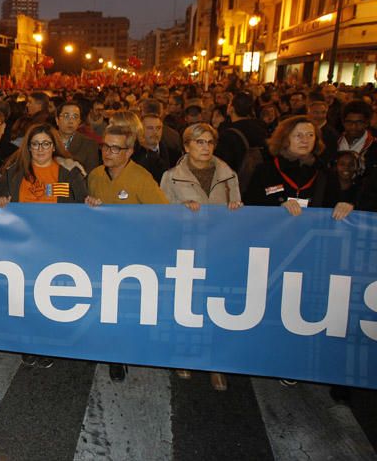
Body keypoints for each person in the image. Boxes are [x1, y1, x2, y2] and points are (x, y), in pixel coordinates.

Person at [0, 123, 89, 369]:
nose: (40, 148)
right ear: (28, 147)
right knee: (25, 298)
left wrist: (92, 201)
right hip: (23, 248)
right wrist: (0, 200)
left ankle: (50, 343)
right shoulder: (14, 172)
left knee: (52, 298)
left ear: (54, 145)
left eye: (46, 143)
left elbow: (79, 202)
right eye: (35, 144)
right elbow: (0, 200)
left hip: (57, 248)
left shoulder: (68, 172)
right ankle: (30, 342)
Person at [159, 123, 243, 392]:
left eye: (209, 142)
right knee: (186, 305)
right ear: (186, 147)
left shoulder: (228, 175)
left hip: (219, 249)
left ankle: (215, 364)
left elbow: (239, 211)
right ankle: (184, 355)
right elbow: (160, 214)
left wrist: (236, 208)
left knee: (216, 307)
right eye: (199, 142)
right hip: (187, 250)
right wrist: (180, 208)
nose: (205, 147)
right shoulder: (171, 177)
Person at [87, 125, 168, 382]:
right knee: (104, 307)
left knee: (122, 309)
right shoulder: (96, 175)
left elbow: (163, 216)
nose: (107, 152)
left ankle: (118, 355)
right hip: (101, 253)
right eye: (105, 146)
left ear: (129, 152)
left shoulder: (141, 179)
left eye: (115, 148)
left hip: (132, 257)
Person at [244, 115, 353, 221]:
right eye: (298, 135)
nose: (305, 140)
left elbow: (334, 205)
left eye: (310, 135)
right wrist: (277, 207)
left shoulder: (325, 173)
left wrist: (344, 206)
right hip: (274, 232)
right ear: (285, 139)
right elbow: (250, 206)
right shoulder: (265, 170)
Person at [55, 102, 100, 173]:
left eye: (75, 117)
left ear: (79, 122)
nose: (71, 121)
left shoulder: (89, 144)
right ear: (57, 120)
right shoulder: (48, 141)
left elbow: (92, 175)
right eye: (66, 116)